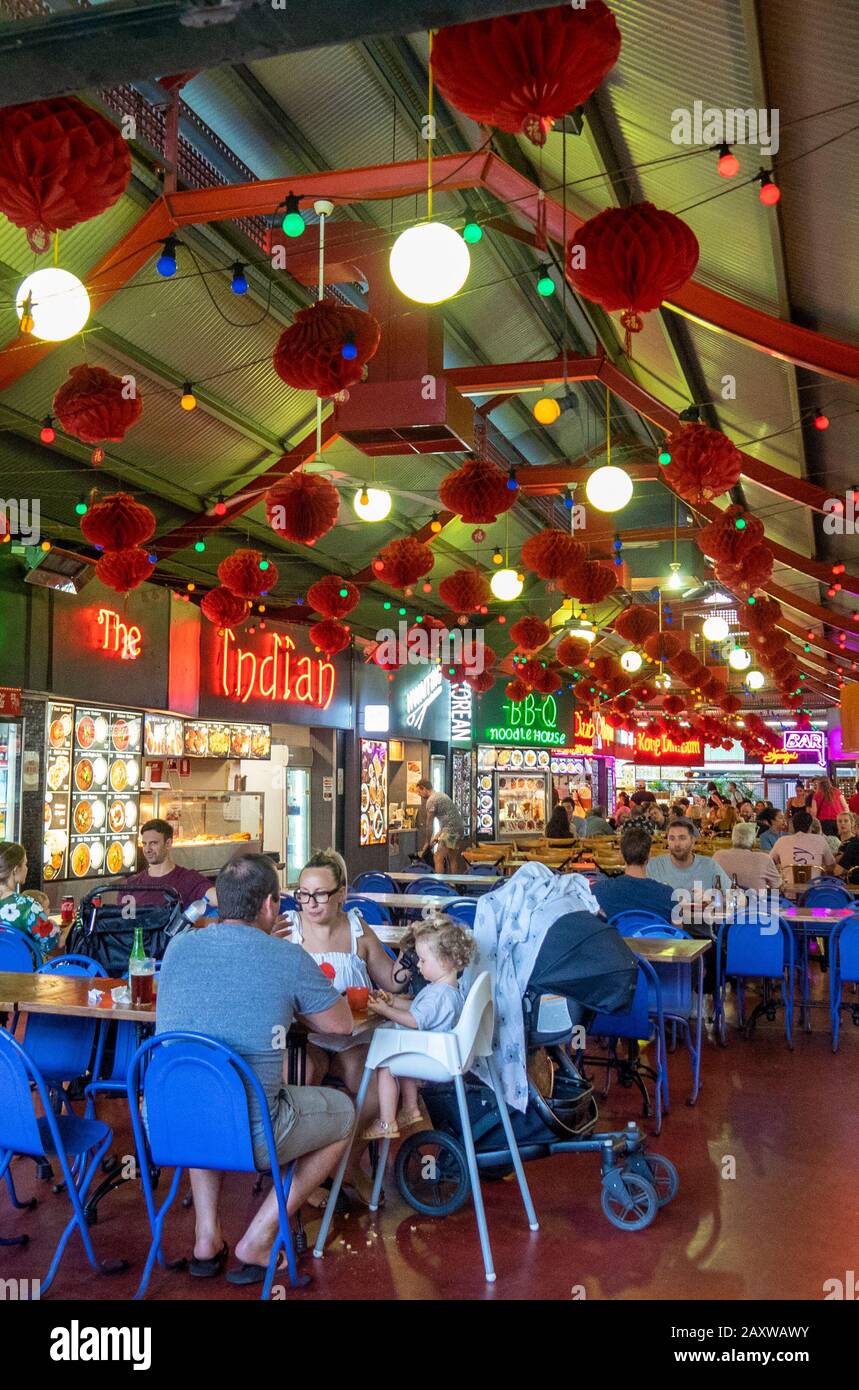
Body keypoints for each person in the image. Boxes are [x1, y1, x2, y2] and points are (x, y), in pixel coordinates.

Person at [155, 853, 355, 1284]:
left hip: (166, 1125)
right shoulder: (285, 957)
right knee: (343, 1113)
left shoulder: (177, 947)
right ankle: (259, 1238)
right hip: (251, 1133)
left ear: (219, 902)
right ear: (269, 905)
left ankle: (207, 1238)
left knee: (203, 1090)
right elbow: (342, 1026)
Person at [362, 917, 475, 1140]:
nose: (419, 965)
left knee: (384, 1064)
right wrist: (392, 1001)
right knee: (401, 1057)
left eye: (423, 961)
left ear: (444, 961)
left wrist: (385, 1010)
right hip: (438, 1053)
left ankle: (387, 1122)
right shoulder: (446, 990)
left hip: (433, 1058)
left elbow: (414, 1020)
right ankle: (410, 1108)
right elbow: (417, 1008)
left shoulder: (438, 996)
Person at [646, 818, 732, 935]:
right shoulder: (654, 865)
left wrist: (713, 900)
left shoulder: (709, 865)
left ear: (692, 841)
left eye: (682, 838)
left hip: (701, 937)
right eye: (672, 838)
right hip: (661, 935)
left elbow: (736, 899)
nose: (676, 844)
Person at [591, 823, 676, 923]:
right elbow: (678, 934)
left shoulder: (598, 891)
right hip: (655, 938)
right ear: (649, 856)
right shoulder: (668, 894)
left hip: (614, 938)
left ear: (621, 855)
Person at [124, 819, 215, 910]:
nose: (147, 849)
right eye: (144, 844)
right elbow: (122, 920)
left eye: (153, 843)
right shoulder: (132, 884)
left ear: (168, 843)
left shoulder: (189, 879)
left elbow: (218, 899)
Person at [0, 842, 60, 962]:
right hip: (22, 975)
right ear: (15, 870)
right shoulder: (28, 906)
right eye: (25, 864)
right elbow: (49, 942)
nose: (27, 869)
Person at [415, 779, 465, 873]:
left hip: (451, 830)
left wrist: (427, 842)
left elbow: (429, 824)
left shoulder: (431, 801)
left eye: (419, 792)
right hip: (458, 828)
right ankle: (454, 884)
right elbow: (448, 819)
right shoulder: (441, 795)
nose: (419, 795)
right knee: (452, 858)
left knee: (438, 857)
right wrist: (437, 836)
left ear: (424, 789)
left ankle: (439, 885)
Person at [714, 822, 781, 892]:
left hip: (725, 901)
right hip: (756, 902)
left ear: (733, 838)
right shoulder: (764, 859)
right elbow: (777, 886)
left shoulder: (718, 856)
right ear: (753, 840)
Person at [770, 809, 836, 872]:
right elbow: (831, 865)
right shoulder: (820, 840)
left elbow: (770, 862)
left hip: (788, 883)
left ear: (793, 826)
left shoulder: (782, 841)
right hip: (815, 883)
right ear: (810, 826)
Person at [835, 814, 859, 879]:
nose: (842, 823)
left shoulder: (854, 842)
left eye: (846, 821)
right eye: (839, 821)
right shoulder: (834, 839)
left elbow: (838, 870)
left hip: (851, 880)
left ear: (852, 824)